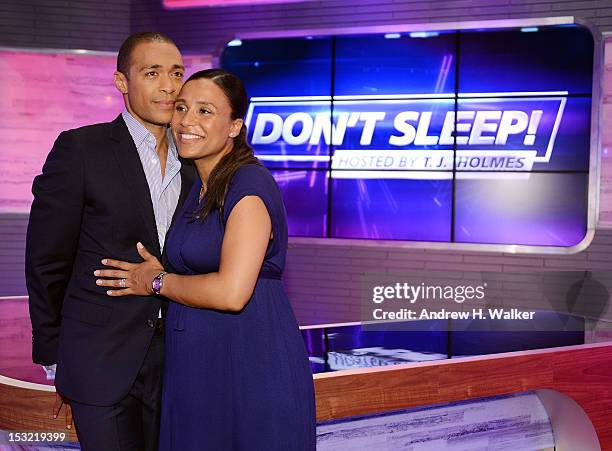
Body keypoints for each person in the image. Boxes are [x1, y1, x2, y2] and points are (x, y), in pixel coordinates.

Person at [95, 69, 316, 450]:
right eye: (182, 108)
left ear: (234, 126)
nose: (187, 121)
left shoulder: (248, 187)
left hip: (249, 364)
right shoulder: (198, 185)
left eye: (205, 111)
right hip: (198, 364)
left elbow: (232, 292)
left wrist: (155, 281)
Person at [25, 32, 196, 451]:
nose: (169, 86)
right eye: (152, 73)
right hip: (99, 361)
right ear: (122, 82)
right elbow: (46, 259)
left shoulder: (195, 159)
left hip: (181, 360)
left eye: (176, 73)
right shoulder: (82, 149)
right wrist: (54, 353)